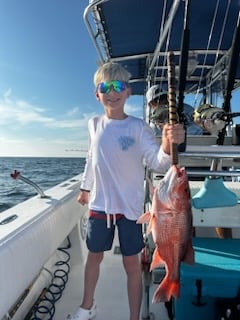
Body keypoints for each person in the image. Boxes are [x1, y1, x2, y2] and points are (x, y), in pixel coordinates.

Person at [66, 62, 185, 320]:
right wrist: (85, 187)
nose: (112, 92)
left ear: (128, 92)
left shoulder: (138, 128)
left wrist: (167, 142)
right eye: (105, 87)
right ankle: (87, 307)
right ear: (97, 94)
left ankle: (134, 316)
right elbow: (91, 158)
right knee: (93, 258)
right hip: (99, 205)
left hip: (130, 209)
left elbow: (159, 162)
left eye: (118, 85)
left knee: (131, 264)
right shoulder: (93, 124)